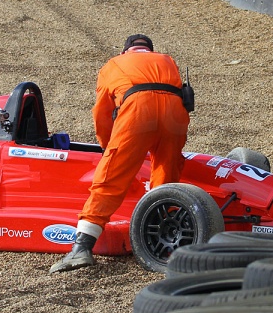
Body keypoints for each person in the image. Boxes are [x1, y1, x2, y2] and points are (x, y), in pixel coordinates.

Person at [50, 34, 190, 273]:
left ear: (127, 51)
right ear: (150, 51)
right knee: (166, 174)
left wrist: (107, 146)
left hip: (138, 108)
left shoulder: (114, 64)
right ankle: (163, 241)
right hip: (175, 114)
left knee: (110, 179)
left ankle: (81, 248)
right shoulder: (167, 60)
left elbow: (101, 112)